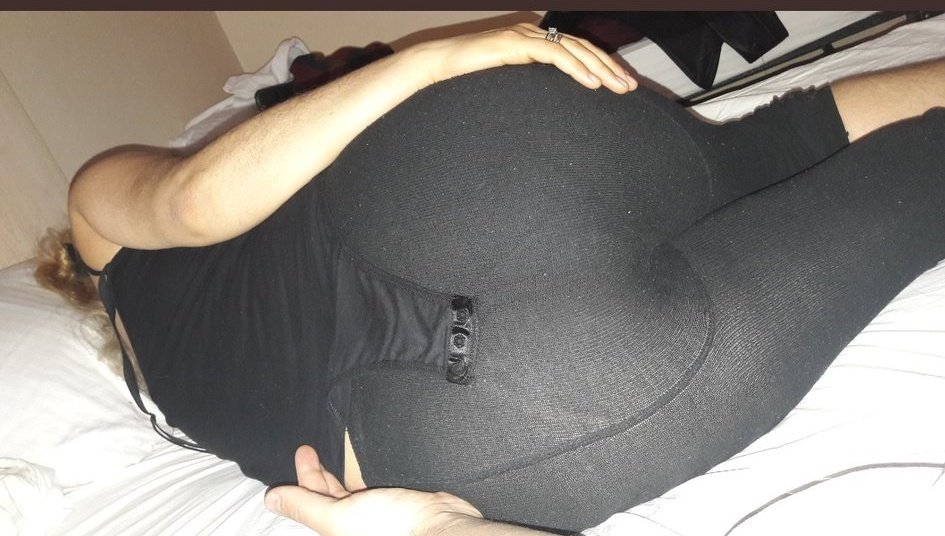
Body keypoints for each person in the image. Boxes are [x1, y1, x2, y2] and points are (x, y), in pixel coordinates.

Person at [36, 21, 945, 536]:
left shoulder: (179, 403)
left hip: (495, 418)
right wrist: (429, 60)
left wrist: (434, 528)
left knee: (918, 182)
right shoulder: (101, 224)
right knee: (776, 143)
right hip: (456, 173)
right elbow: (192, 201)